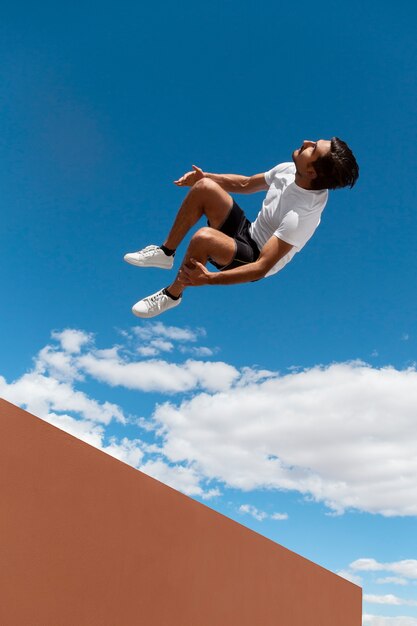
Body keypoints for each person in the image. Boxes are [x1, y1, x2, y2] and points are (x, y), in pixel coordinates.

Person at [124, 138, 359, 318]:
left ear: (312, 172)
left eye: (313, 149)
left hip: (255, 258)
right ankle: (165, 253)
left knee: (203, 238)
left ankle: (172, 294)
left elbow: (261, 268)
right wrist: (204, 176)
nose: (307, 142)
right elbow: (246, 183)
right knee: (205, 186)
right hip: (248, 233)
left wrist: (209, 279)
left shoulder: (303, 214)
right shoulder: (289, 169)